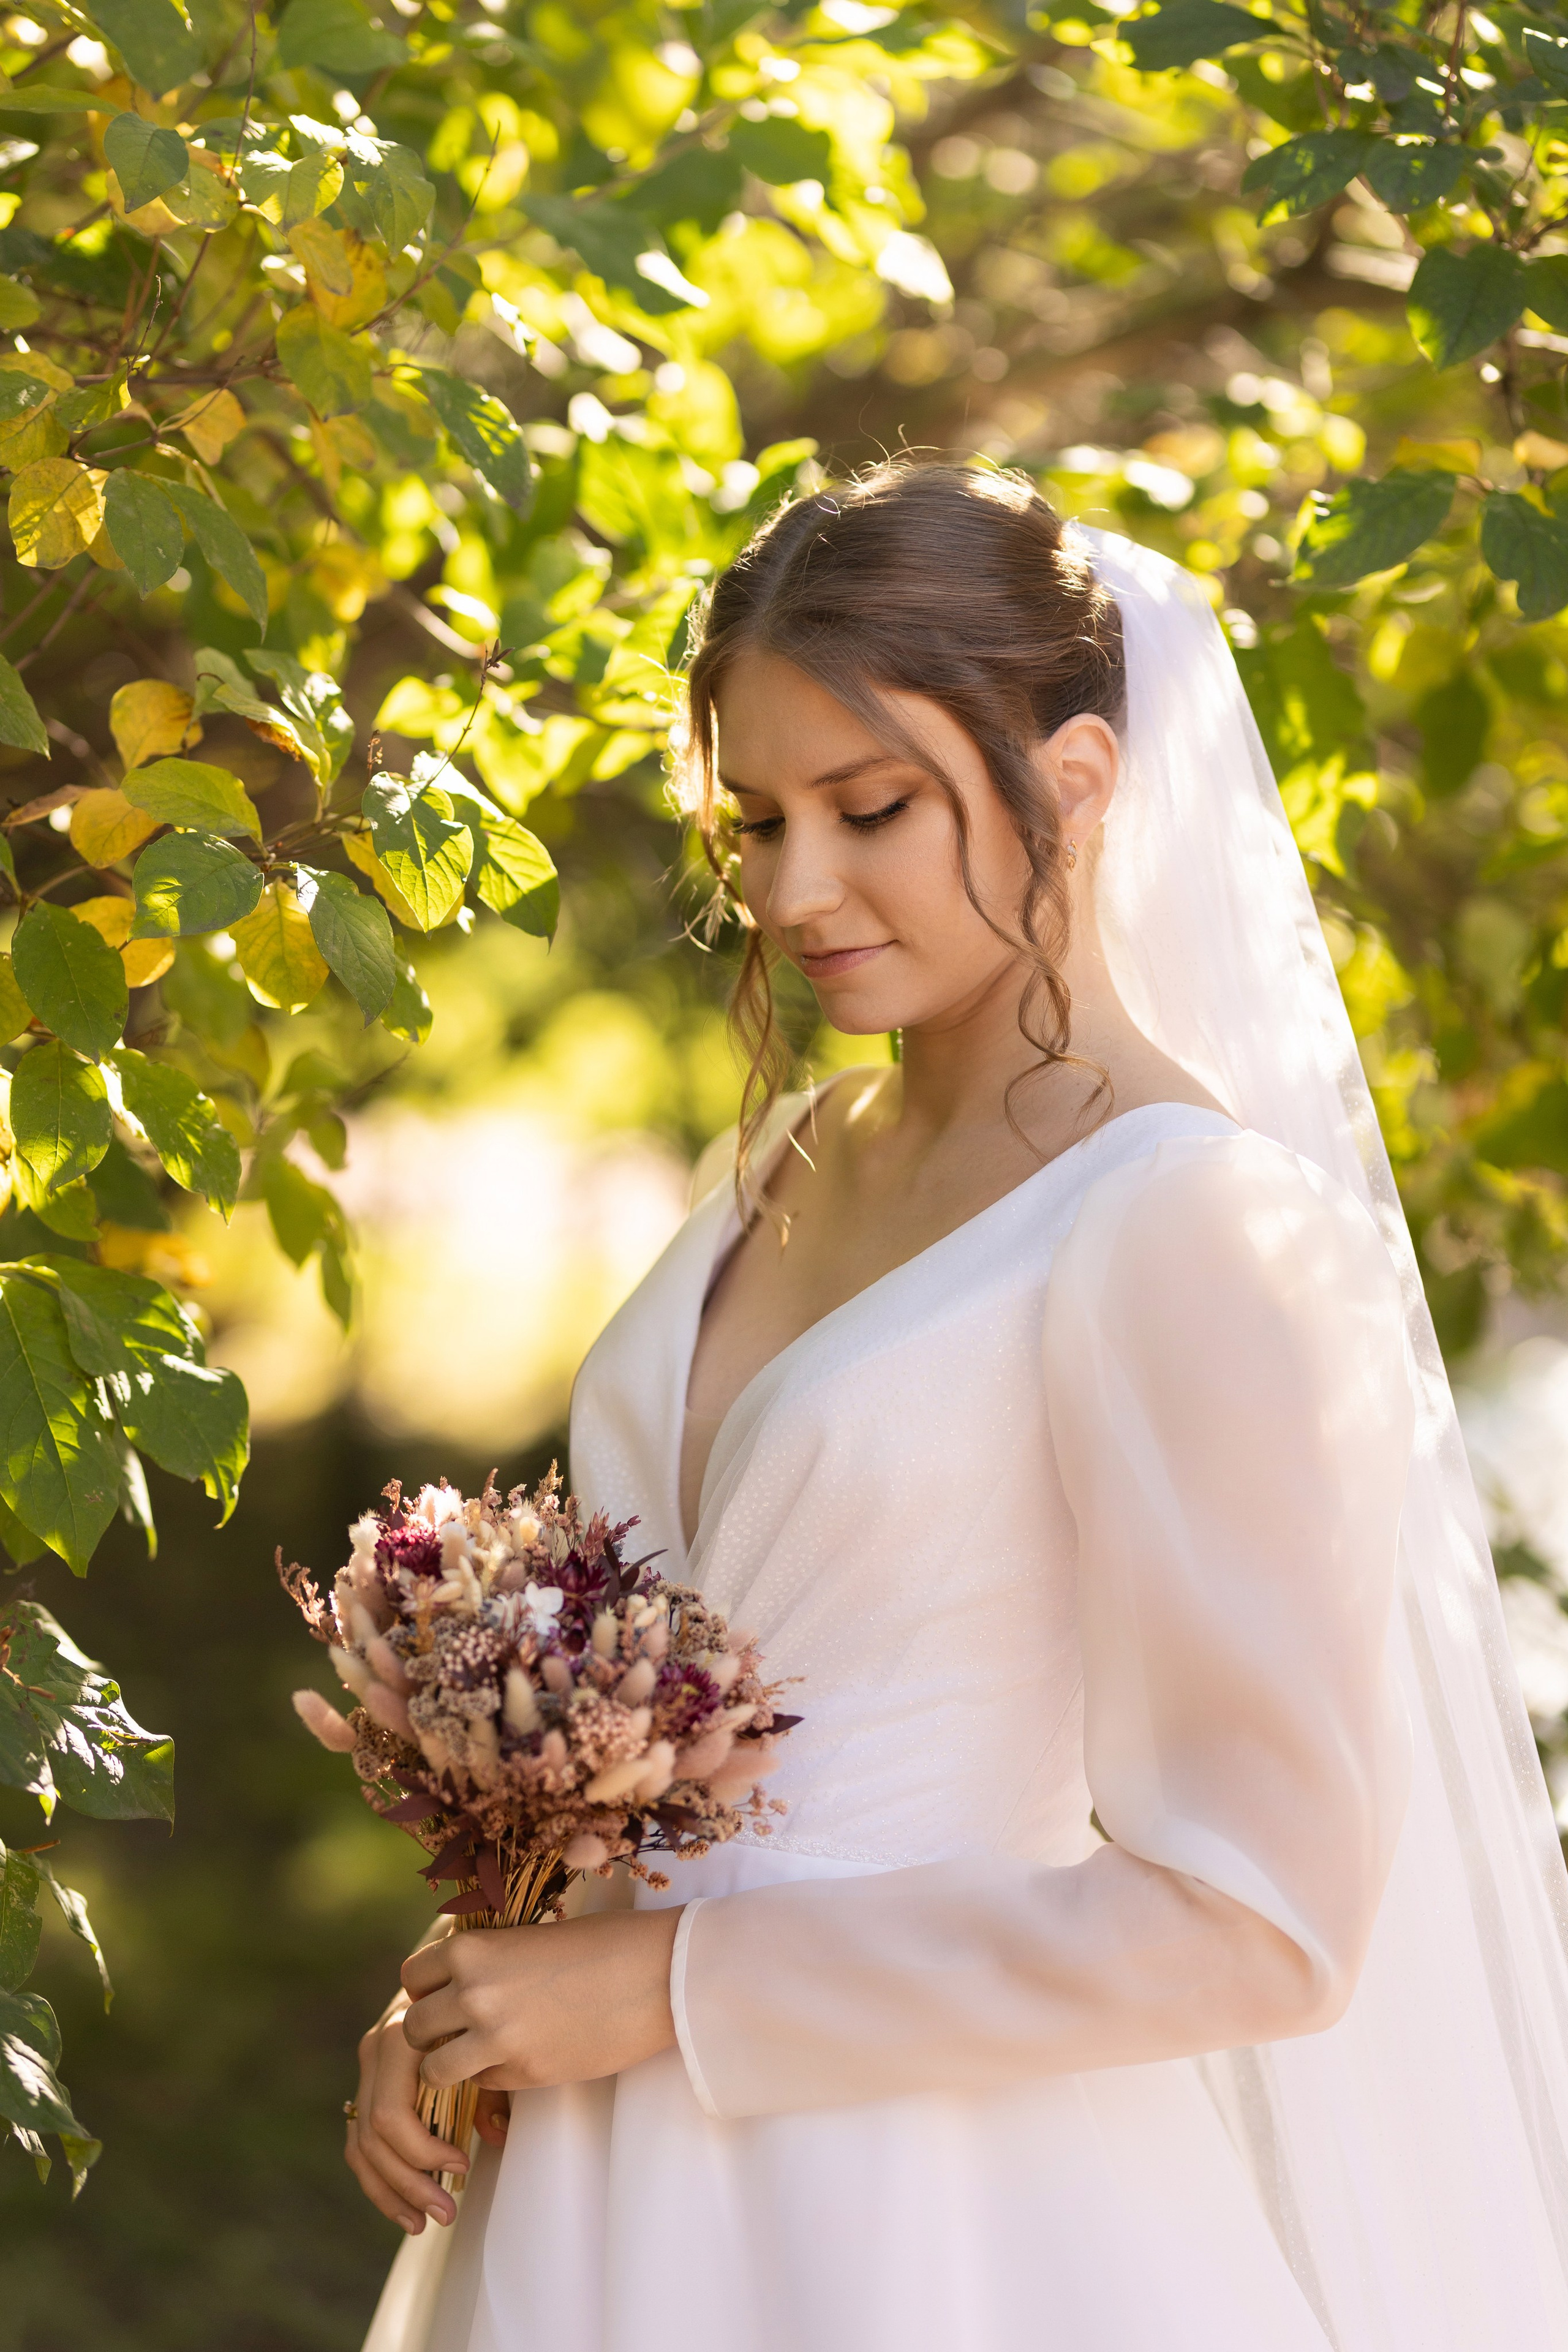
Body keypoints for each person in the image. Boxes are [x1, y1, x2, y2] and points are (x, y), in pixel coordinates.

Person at [347, 463, 1568, 2352]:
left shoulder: (1189, 1225)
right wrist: (481, 1981)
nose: (792, 888)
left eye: (872, 808)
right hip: (581, 2193)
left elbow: (1263, 1918)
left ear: (1074, 779)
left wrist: (670, 1992)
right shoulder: (783, 1162)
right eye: (753, 820)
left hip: (938, 2225)